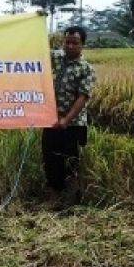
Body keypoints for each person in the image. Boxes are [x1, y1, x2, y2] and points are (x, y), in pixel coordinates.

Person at [42, 26, 96, 205]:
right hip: (51, 120)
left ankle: (72, 199)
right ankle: (54, 195)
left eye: (75, 42)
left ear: (82, 45)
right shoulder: (56, 58)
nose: (70, 46)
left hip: (74, 124)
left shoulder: (86, 69)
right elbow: (37, 51)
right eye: (68, 42)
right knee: (51, 158)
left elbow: (82, 98)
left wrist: (66, 120)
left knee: (72, 161)